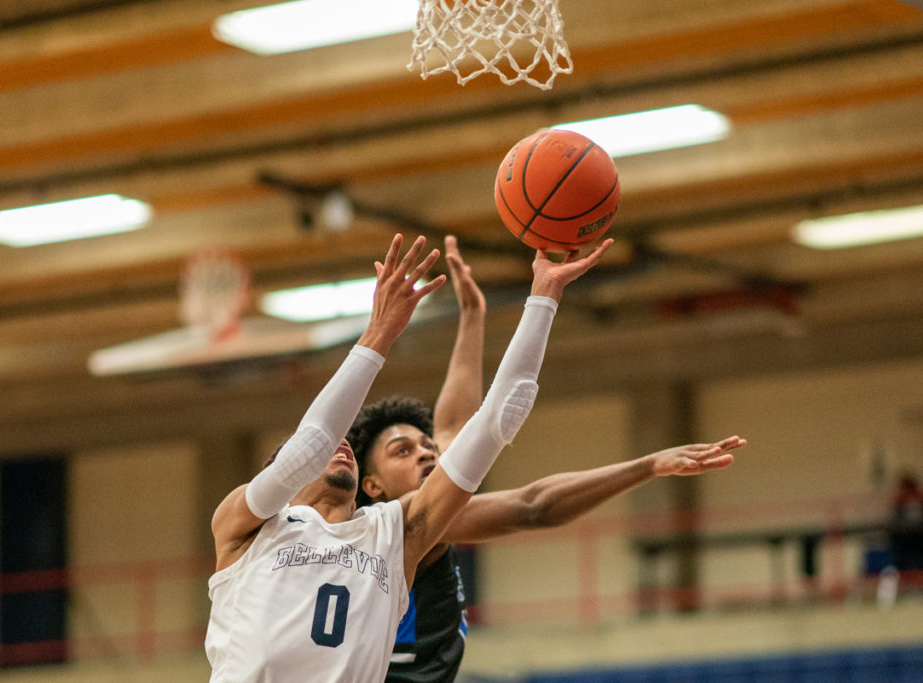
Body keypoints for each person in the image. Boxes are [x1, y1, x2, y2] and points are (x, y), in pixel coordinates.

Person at [205, 233, 614, 682]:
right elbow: (311, 443)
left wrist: (543, 297)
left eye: (347, 444)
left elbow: (500, 415)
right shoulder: (246, 527)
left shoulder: (393, 534)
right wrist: (380, 332)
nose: (338, 443)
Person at [348, 236, 747, 683]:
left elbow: (454, 431)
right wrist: (647, 466)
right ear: (372, 486)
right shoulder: (400, 529)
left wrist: (473, 318)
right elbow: (533, 507)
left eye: (425, 446)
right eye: (402, 451)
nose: (425, 451)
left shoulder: (421, 508)